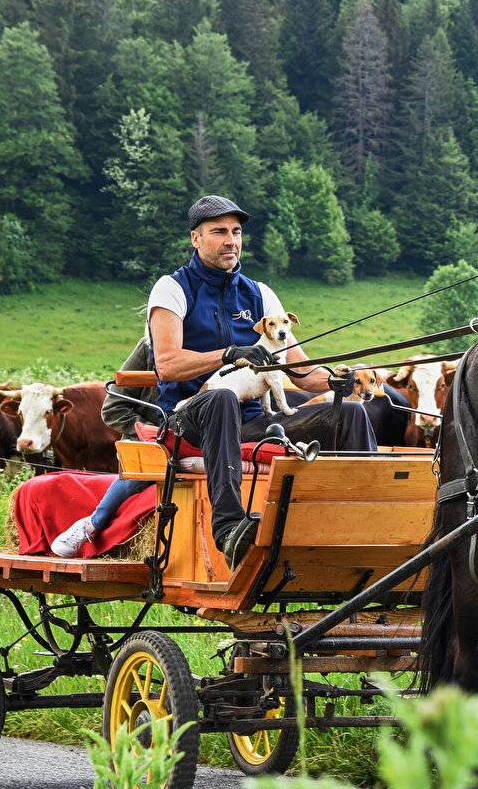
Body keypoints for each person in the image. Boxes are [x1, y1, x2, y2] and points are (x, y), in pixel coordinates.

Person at [148, 195, 376, 568]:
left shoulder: (260, 294)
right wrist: (228, 354)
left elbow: (302, 372)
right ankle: (229, 531)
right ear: (196, 238)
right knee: (221, 398)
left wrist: (340, 381)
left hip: (251, 423)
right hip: (189, 419)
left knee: (350, 414)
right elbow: (168, 364)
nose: (231, 241)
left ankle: (371, 523)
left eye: (236, 232)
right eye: (219, 232)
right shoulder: (173, 288)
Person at [50, 338, 159, 558]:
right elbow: (112, 409)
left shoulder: (223, 348)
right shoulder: (150, 346)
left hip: (203, 435)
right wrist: (153, 432)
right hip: (152, 444)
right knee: (135, 476)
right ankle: (92, 524)